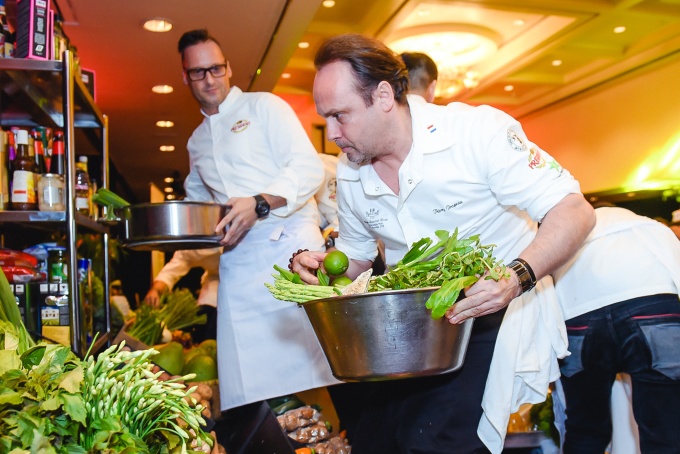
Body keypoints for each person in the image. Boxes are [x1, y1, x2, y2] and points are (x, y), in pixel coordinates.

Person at [291, 33, 595, 453]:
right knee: (374, 440)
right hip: (411, 326)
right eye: (327, 118)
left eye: (341, 116)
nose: (333, 133)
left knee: (435, 441)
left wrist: (515, 277)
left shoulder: (476, 131)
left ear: (382, 96)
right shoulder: (350, 170)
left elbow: (574, 210)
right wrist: (322, 264)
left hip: (489, 311)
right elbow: (358, 259)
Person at [177, 29, 339, 417]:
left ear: (229, 68)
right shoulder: (197, 141)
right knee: (249, 383)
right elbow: (198, 204)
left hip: (290, 250)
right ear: (186, 77)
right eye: (198, 72)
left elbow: (306, 166)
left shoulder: (264, 106)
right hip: (238, 264)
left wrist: (260, 204)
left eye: (215, 68)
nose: (209, 79)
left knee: (324, 371)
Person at [552, 206, 680, 453]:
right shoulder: (650, 228)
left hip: (580, 313)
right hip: (652, 305)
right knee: (666, 431)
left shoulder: (566, 234)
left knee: (585, 431)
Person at [144, 248, 221, 341]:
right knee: (205, 319)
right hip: (216, 279)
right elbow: (172, 270)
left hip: (241, 278)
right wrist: (156, 290)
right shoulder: (191, 246)